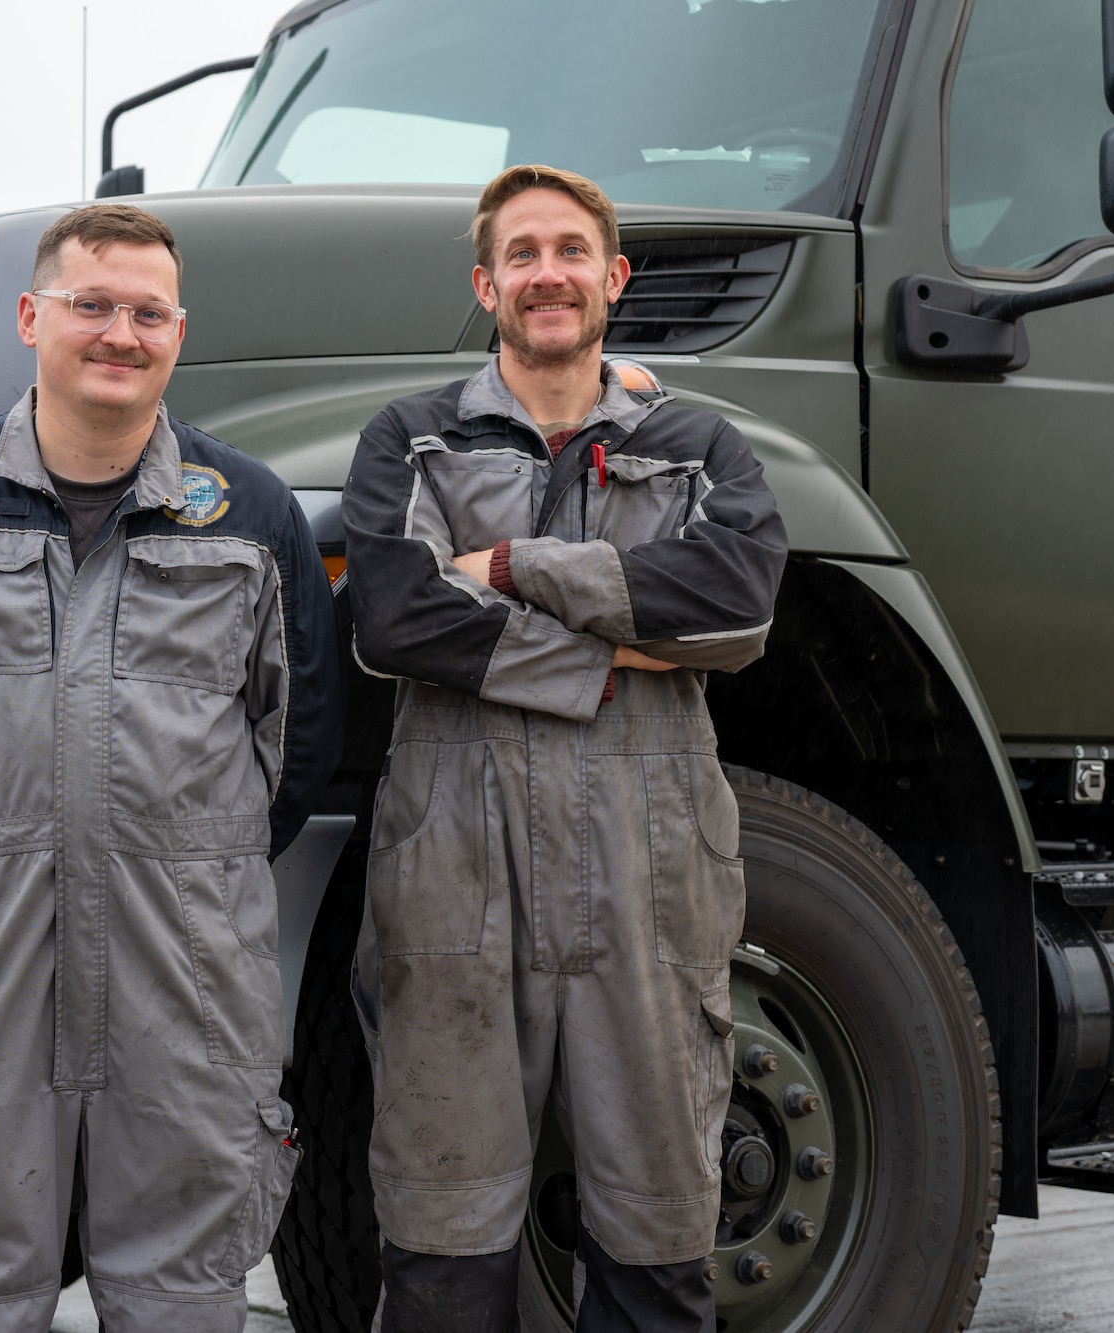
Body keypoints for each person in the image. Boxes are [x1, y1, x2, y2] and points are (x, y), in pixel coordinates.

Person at [0, 202, 342, 1332]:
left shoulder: (252, 515)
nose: (120, 333)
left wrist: (186, 871)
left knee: (180, 1288)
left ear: (179, 333)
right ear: (31, 317)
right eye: (91, 304)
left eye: (148, 313)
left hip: (185, 970)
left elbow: (300, 741)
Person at [341, 165, 788, 1332]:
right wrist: (609, 658)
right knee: (441, 1232)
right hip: (453, 867)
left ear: (613, 277)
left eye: (570, 250)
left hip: (649, 875)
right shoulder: (411, 438)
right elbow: (393, 616)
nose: (548, 273)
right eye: (522, 254)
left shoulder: (695, 442)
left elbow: (736, 602)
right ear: (485, 284)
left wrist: (511, 567)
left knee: (656, 1228)